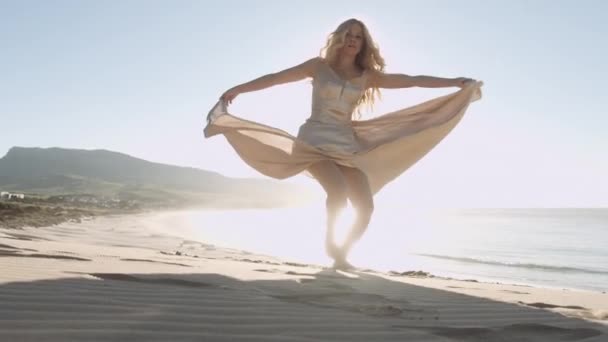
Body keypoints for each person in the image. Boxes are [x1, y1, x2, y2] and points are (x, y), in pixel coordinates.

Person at [204, 18, 482, 270]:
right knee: (337, 192)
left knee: (365, 207)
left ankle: (342, 254)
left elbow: (413, 81)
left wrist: (454, 82)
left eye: (358, 36)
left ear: (364, 43)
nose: (352, 39)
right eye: (348, 34)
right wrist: (238, 88)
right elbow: (276, 78)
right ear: (338, 37)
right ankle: (331, 246)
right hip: (314, 141)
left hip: (346, 145)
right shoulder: (317, 66)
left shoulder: (367, 76)